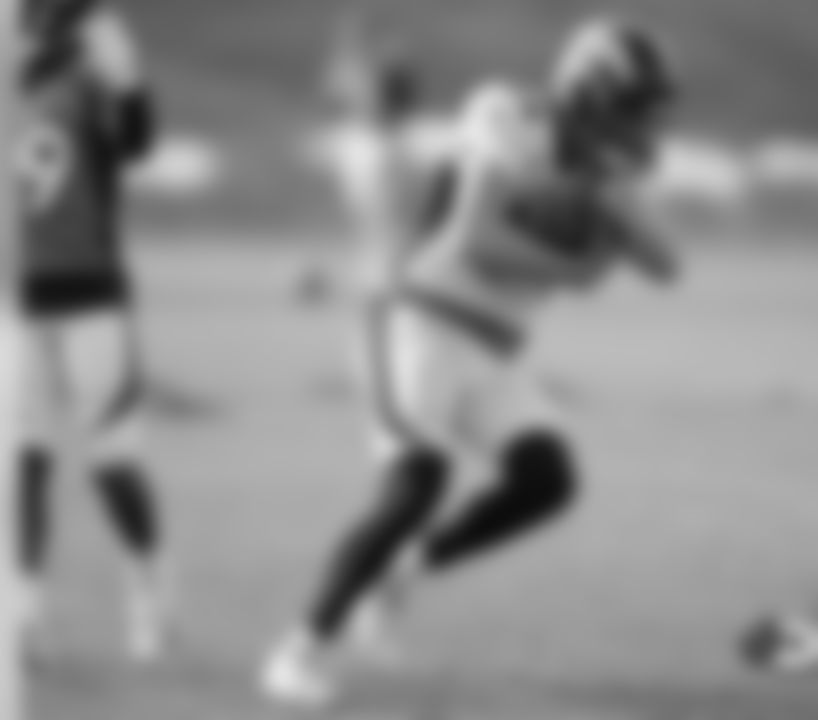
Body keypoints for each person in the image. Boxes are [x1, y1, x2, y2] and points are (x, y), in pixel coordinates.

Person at [261, 18, 679, 706]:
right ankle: (296, 651)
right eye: (632, 105)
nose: (640, 124)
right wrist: (580, 261)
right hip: (418, 324)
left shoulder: (603, 169)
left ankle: (404, 567)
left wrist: (612, 197)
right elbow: (479, 239)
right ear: (591, 91)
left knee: (547, 479)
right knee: (417, 482)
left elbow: (668, 263)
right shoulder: (505, 113)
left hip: (492, 349)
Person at [15, 0, 172, 661]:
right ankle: (23, 609)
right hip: (9, 303)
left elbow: (137, 143)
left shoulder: (87, 75)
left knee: (112, 462)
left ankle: (147, 583)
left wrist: (129, 79)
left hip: (90, 298)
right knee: (21, 459)